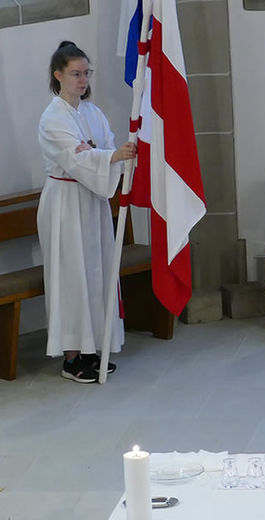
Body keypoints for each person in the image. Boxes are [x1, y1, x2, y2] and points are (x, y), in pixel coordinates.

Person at [37, 41, 136, 383]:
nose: (82, 80)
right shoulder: (52, 118)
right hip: (65, 204)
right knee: (71, 276)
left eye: (86, 73)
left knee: (97, 272)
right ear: (58, 75)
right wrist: (109, 156)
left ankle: (94, 346)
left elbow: (104, 147)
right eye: (75, 74)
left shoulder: (93, 113)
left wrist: (114, 155)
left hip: (93, 202)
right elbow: (77, 159)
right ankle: (71, 357)